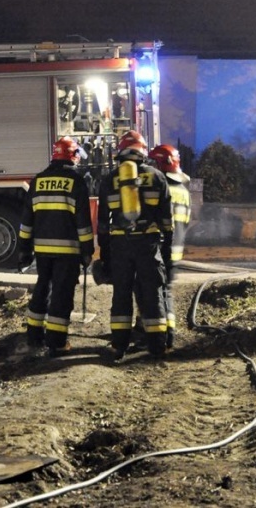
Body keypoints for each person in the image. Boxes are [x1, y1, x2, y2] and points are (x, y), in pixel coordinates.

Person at [97, 130, 173, 361]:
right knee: (152, 293)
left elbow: (102, 223)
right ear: (143, 152)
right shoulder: (158, 177)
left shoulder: (109, 179)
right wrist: (166, 252)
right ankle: (157, 346)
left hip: (120, 244)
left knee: (121, 294)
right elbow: (167, 223)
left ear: (120, 152)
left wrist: (106, 255)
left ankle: (118, 345)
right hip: (148, 245)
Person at [18, 136, 95, 357]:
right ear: (72, 156)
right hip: (68, 251)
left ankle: (34, 334)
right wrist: (87, 251)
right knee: (62, 293)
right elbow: (83, 222)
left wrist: (24, 248)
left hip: (42, 251)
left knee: (43, 287)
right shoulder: (76, 182)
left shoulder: (38, 180)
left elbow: (27, 219)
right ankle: (57, 342)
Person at [148, 144, 191, 349]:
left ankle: (164, 335)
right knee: (167, 292)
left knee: (156, 292)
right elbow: (187, 222)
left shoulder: (160, 189)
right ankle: (168, 332)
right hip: (176, 251)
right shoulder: (183, 190)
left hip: (160, 249)